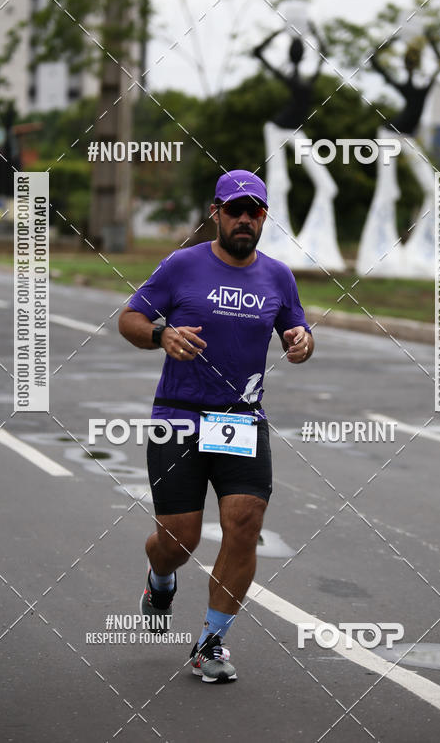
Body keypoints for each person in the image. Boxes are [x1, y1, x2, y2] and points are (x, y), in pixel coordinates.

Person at [118, 169, 314, 683]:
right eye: (235, 209)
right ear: (216, 213)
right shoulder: (182, 266)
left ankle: (210, 645)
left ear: (264, 217)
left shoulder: (277, 276)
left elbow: (298, 325)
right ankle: (160, 578)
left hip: (241, 420)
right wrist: (161, 334)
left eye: (255, 211)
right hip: (179, 416)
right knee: (178, 540)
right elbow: (129, 319)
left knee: (244, 527)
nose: (245, 218)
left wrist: (301, 341)